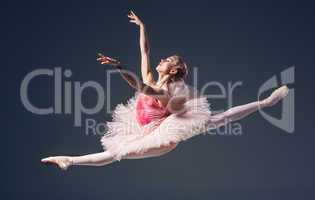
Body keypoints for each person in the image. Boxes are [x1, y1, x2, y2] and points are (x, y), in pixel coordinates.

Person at [41, 11, 289, 170]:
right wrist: (141, 27)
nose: (163, 58)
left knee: (219, 118)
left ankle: (266, 103)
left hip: (163, 135)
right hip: (144, 128)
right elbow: (145, 51)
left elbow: (140, 86)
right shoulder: (152, 76)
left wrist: (119, 66)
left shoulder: (165, 92)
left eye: (168, 59)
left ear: (172, 71)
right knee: (114, 152)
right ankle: (68, 160)